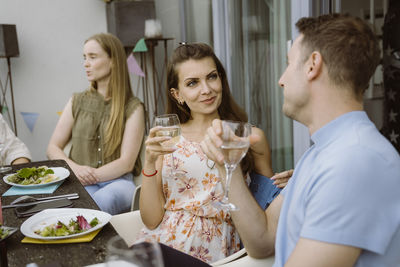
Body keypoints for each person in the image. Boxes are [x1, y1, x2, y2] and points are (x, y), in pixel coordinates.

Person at [201, 13, 400, 266]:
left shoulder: (355, 162)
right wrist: (226, 164)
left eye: (289, 63)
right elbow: (262, 240)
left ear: (312, 64)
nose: (281, 80)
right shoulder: (319, 155)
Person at [135, 43, 289, 263]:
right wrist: (149, 163)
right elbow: (151, 221)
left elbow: (266, 204)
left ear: (221, 80)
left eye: (212, 77)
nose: (206, 89)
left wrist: (291, 184)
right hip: (160, 242)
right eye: (192, 83)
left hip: (215, 251)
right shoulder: (169, 138)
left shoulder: (248, 137)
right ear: (177, 94)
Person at [47, 33, 145, 215]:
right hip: (81, 179)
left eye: (92, 57)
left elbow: (126, 163)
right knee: (74, 204)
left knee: (102, 200)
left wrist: (90, 176)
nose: (86, 63)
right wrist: (76, 170)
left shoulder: (133, 107)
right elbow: (53, 147)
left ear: (113, 60)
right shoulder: (76, 101)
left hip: (119, 183)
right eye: (84, 58)